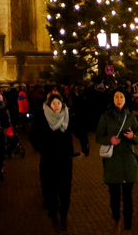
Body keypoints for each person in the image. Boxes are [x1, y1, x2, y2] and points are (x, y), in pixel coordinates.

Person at [30, 90, 88, 230]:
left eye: (58, 103)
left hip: (65, 158)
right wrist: (40, 148)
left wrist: (85, 148)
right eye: (53, 103)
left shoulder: (68, 117)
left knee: (64, 188)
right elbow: (33, 135)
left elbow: (80, 131)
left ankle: (63, 215)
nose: (56, 106)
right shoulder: (42, 116)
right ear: (49, 105)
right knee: (49, 187)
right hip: (48, 158)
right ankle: (53, 213)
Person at [95, 89, 138, 233]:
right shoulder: (106, 116)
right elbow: (98, 136)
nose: (119, 99)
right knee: (114, 194)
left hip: (128, 159)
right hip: (113, 160)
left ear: (125, 99)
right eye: (116, 97)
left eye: (121, 97)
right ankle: (116, 217)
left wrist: (132, 136)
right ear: (113, 99)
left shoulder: (130, 116)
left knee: (128, 195)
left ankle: (128, 223)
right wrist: (109, 139)